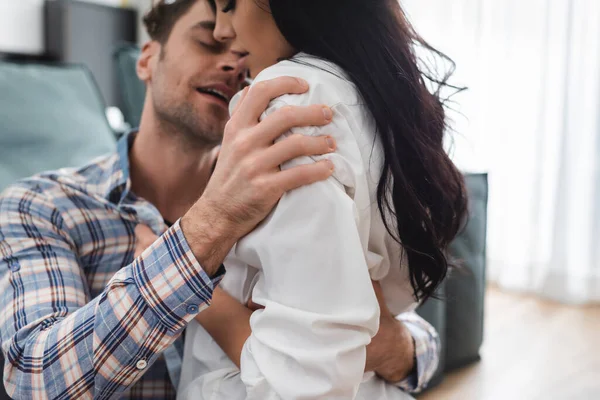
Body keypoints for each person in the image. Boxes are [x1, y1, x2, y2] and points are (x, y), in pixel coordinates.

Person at [0, 1, 441, 399]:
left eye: (244, 54)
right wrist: (208, 228)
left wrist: (395, 346)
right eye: (209, 41)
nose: (234, 60)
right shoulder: (42, 205)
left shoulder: (286, 174)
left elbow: (415, 341)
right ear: (148, 59)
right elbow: (33, 382)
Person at [178, 0, 467, 399]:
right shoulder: (375, 101)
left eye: (229, 5)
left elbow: (306, 381)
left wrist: (201, 297)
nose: (222, 32)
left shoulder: (288, 103)